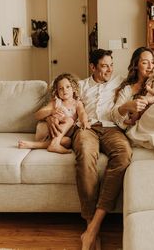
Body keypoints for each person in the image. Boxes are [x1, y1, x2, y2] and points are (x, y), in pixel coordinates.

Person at [48, 49, 131, 250]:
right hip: (86, 129)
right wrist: (52, 115)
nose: (109, 69)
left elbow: (146, 79)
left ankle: (94, 227)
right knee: (85, 156)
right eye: (104, 65)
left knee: (124, 156)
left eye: (111, 64)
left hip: (112, 129)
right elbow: (64, 104)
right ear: (92, 67)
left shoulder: (121, 83)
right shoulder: (81, 87)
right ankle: (89, 222)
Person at [18, 73, 90, 154]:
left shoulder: (77, 103)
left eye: (68, 87)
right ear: (57, 91)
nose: (64, 90)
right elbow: (37, 115)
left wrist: (85, 121)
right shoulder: (56, 102)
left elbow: (82, 113)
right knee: (68, 120)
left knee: (68, 142)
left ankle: (38, 145)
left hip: (61, 136)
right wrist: (51, 111)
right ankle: (54, 143)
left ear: (74, 88)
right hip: (47, 132)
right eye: (60, 88)